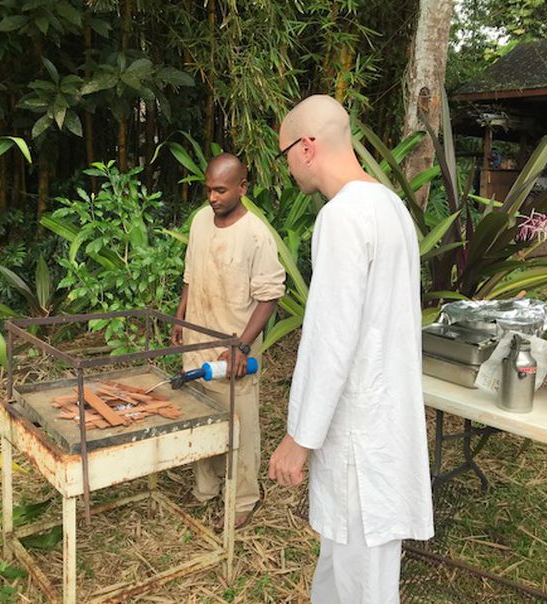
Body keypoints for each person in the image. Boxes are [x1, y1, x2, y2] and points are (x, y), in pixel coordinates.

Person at [268, 95, 434, 603]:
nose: (287, 167)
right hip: (383, 419)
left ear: (307, 148)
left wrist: (300, 437)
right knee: (343, 563)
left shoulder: (342, 217)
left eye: (284, 154)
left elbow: (331, 337)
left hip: (359, 433)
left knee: (362, 578)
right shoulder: (390, 206)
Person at [172, 153, 285, 529]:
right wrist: (181, 315)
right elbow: (191, 272)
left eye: (220, 190)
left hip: (232, 351)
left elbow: (269, 296)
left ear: (242, 188)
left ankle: (243, 500)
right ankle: (206, 488)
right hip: (196, 341)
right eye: (208, 190)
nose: (212, 198)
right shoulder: (200, 221)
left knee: (239, 426)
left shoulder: (256, 236)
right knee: (200, 417)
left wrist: (242, 345)